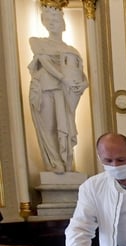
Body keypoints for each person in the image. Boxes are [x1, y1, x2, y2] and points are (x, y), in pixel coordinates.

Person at [28, 6, 88, 173]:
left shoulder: (72, 50)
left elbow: (80, 72)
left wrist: (84, 84)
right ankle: (54, 162)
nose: (52, 23)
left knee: (65, 126)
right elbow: (45, 63)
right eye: (48, 20)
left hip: (65, 92)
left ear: (63, 23)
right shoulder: (37, 42)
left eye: (55, 19)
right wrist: (63, 78)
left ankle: (67, 160)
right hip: (45, 88)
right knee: (49, 127)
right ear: (43, 23)